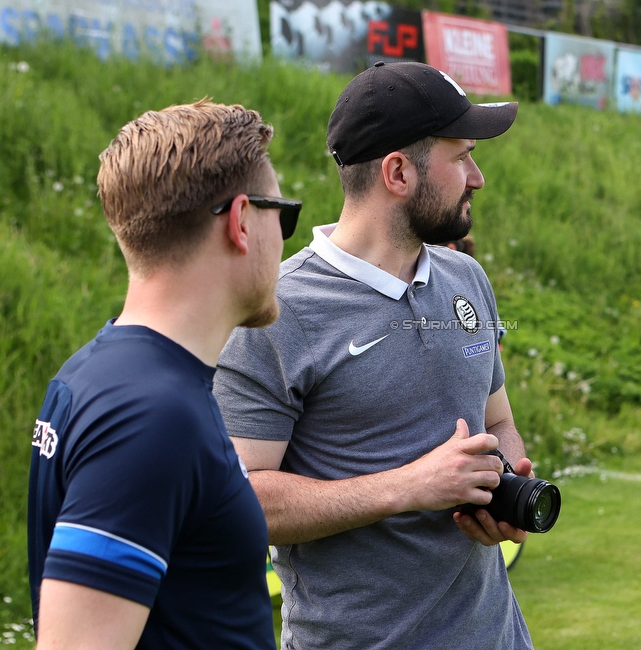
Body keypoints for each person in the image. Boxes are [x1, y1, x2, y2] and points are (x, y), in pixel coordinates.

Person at [214, 61, 534, 649]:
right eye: (460, 156)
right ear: (398, 172)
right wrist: (410, 486)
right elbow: (238, 501)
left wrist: (506, 487)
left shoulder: (467, 278)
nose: (478, 177)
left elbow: (498, 420)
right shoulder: (276, 312)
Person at [27, 101, 299, 649]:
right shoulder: (154, 418)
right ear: (242, 221)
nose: (284, 241)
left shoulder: (98, 372)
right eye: (283, 216)